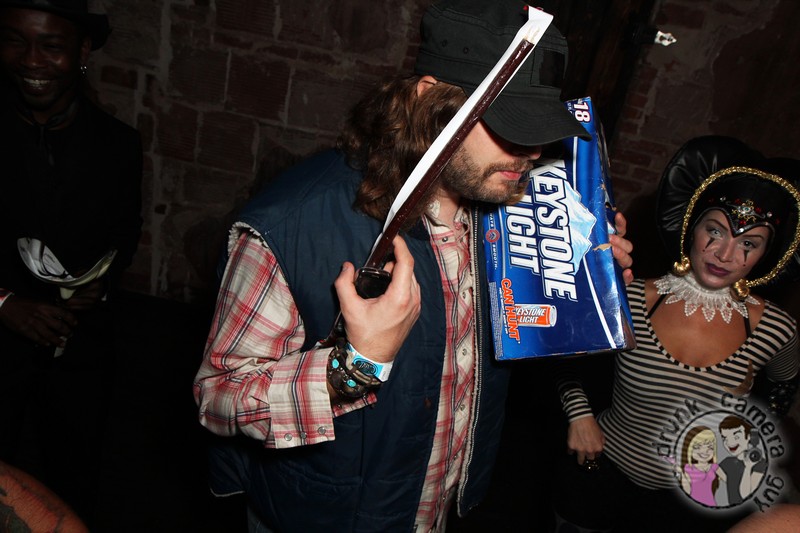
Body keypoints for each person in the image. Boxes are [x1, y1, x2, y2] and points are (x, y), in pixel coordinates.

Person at [193, 0, 633, 531]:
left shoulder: (505, 210)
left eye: (537, 127)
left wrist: (581, 286)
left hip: (435, 511)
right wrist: (354, 365)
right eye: (508, 124)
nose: (533, 151)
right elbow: (218, 398)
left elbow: (506, 347)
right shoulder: (296, 223)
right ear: (430, 100)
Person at [552, 135, 800, 532]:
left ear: (764, 255)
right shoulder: (632, 296)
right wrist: (579, 415)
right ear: (691, 227)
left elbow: (784, 385)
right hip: (600, 475)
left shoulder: (775, 328)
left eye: (749, 243)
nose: (725, 254)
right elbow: (564, 353)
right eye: (715, 231)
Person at [0, 0, 143, 526]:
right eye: (15, 41)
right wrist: (5, 304)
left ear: (82, 51)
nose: (30, 59)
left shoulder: (119, 144)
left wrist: (97, 287)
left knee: (73, 486)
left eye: (51, 45)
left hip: (80, 351)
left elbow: (125, 234)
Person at [718, 415, 766, 505]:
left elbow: (746, 495)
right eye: (725, 438)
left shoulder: (760, 463)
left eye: (736, 437)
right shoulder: (727, 462)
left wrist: (748, 468)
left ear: (749, 436)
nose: (730, 443)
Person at [676, 426, 723, 507]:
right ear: (689, 448)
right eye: (697, 447)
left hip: (711, 504)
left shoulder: (714, 467)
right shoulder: (688, 468)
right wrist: (680, 473)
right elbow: (688, 491)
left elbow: (729, 480)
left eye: (710, 447)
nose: (705, 451)